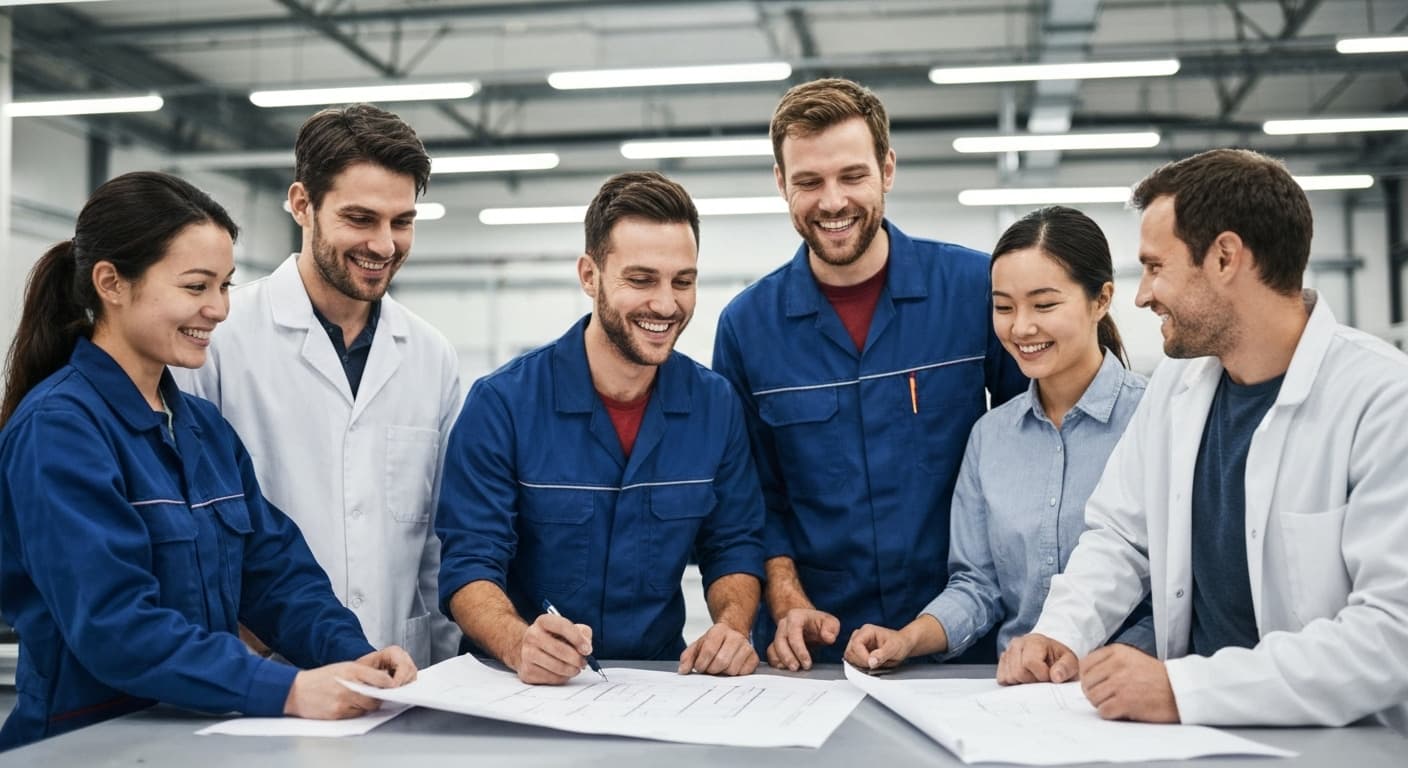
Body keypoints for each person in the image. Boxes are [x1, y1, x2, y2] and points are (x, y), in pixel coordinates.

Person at [0, 172, 416, 751]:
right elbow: (116, 625)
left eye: (224, 285)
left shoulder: (200, 428)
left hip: (197, 735)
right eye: (197, 286)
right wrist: (289, 690)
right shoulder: (59, 430)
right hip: (85, 743)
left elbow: (274, 572)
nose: (219, 309)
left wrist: (352, 653)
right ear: (111, 283)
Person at [999, 148, 1408, 730]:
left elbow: (1392, 634)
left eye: (1156, 267)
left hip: (1333, 741)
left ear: (1224, 257)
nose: (1142, 296)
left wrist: (1183, 688)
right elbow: (1121, 536)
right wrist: (1060, 631)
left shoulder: (1383, 399)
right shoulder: (1178, 388)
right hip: (1192, 736)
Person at [712, 77, 1027, 669]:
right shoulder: (747, 327)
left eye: (851, 176)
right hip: (812, 649)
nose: (832, 202)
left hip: (966, 639)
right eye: (809, 181)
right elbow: (750, 501)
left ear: (887, 168)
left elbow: (1033, 449)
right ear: (781, 184)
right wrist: (786, 602)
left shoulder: (973, 291)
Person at [437, 171, 765, 684]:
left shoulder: (715, 405)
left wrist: (732, 626)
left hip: (658, 681)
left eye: (683, 280)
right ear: (589, 275)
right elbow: (469, 566)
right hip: (520, 686)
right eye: (640, 280)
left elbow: (735, 545)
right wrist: (519, 642)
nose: (665, 304)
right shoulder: (503, 405)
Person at [176, 104, 462, 667]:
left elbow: (437, 541)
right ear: (302, 204)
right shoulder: (219, 339)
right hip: (266, 666)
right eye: (361, 219)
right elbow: (194, 525)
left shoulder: (432, 355)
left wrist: (448, 672)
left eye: (401, 222)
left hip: (400, 667)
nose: (384, 244)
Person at [844, 206, 1153, 670]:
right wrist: (908, 639)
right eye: (1003, 306)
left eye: (1044, 305)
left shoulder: (1153, 418)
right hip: (1015, 692)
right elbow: (977, 586)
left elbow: (1176, 587)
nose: (1021, 327)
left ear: (1101, 299)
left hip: (1125, 691)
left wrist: (1123, 656)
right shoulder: (991, 437)